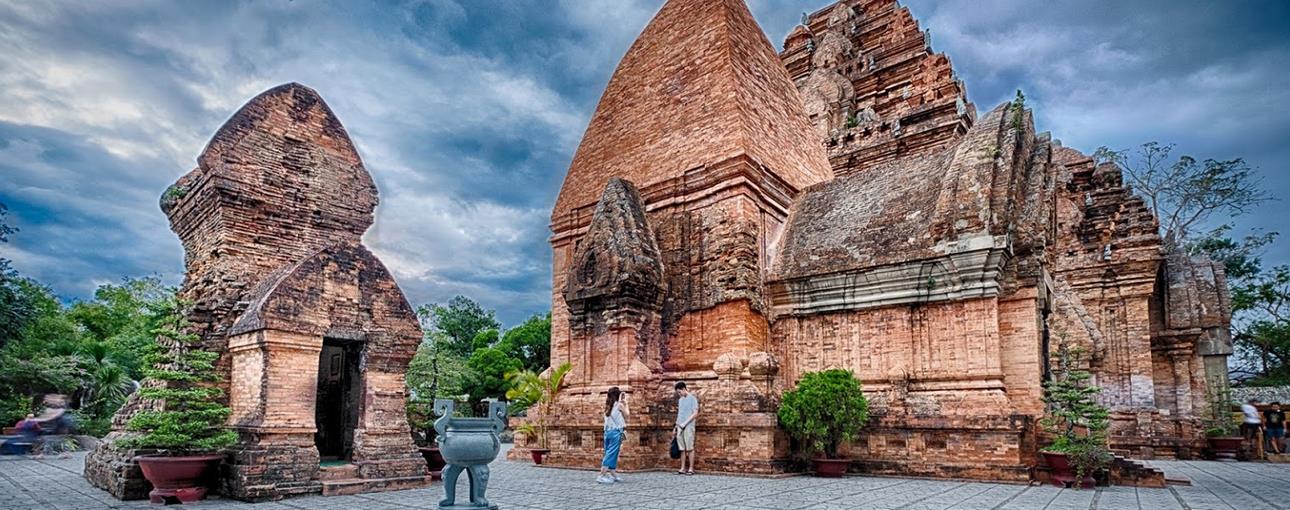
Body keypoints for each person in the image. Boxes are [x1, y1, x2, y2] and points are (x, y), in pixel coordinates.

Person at [597, 387, 628, 484]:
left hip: (607, 432)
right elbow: (627, 416)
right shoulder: (619, 405)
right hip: (616, 432)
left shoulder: (608, 406)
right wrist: (625, 403)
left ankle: (613, 474)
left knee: (611, 453)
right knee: (611, 453)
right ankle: (601, 475)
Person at [673, 381, 699, 475]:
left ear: (684, 389)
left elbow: (695, 413)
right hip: (680, 425)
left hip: (689, 425)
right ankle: (682, 467)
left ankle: (691, 468)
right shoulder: (680, 400)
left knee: (689, 447)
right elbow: (679, 414)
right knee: (682, 448)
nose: (679, 394)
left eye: (680, 392)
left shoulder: (692, 399)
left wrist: (685, 423)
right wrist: (676, 426)